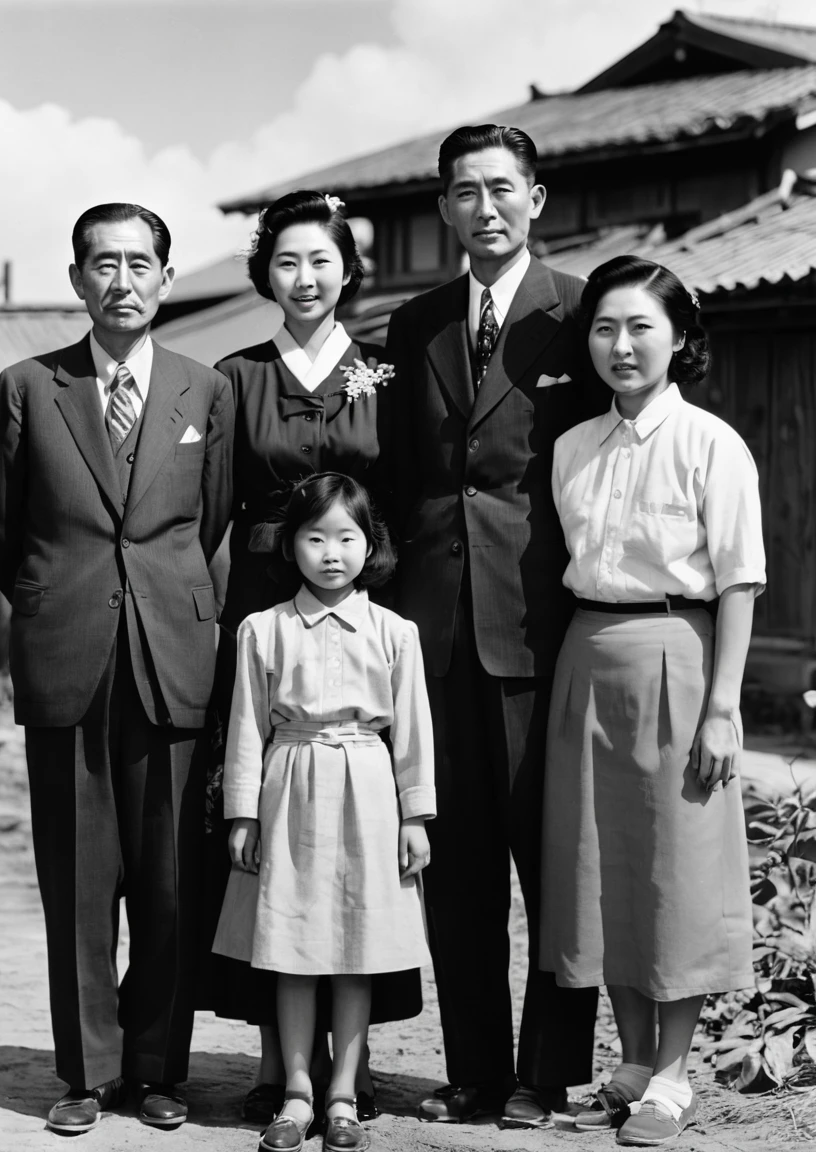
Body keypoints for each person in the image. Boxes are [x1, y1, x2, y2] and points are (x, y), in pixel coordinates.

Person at [0, 203, 234, 1134]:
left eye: (139, 262)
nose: (121, 279)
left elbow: (209, 525)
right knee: (79, 883)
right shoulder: (26, 387)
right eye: (102, 263)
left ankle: (160, 1068)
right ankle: (86, 1072)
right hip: (69, 654)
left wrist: (163, 598)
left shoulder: (205, 390)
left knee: (171, 881)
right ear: (77, 279)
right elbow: (0, 529)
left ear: (167, 276)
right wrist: (61, 598)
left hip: (172, 656)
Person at [384, 124, 602, 1128]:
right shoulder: (415, 322)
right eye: (463, 191)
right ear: (441, 209)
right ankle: (471, 1068)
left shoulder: (583, 312)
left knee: (552, 862)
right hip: (433, 631)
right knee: (455, 864)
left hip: (543, 624)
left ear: (536, 198)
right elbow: (397, 481)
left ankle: (545, 1073)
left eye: (500, 188)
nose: (483, 207)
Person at [202, 189, 417, 1124]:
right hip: (262, 600)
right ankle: (273, 1056)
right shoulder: (234, 375)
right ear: (265, 274)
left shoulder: (384, 373)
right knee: (268, 822)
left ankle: (352, 1063)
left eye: (322, 261)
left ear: (346, 270)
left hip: (366, 596)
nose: (305, 278)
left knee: (359, 837)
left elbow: (400, 491)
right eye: (286, 262)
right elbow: (207, 508)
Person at [540, 255, 766, 1146]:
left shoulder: (712, 443)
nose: (622, 345)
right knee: (602, 867)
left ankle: (673, 1076)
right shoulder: (570, 447)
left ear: (680, 339)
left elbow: (741, 582)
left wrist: (723, 705)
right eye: (605, 327)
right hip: (586, 655)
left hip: (679, 649)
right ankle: (630, 1061)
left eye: (641, 327)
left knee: (677, 864)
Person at [212, 472, 435, 1152]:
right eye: (315, 538)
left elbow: (414, 732)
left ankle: (344, 1090)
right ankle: (297, 1092)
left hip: (368, 790)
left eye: (347, 538)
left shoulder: (396, 633)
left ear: (372, 547)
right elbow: (246, 725)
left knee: (355, 948)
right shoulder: (262, 629)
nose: (331, 553)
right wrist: (242, 814)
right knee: (293, 946)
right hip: (290, 788)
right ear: (291, 546)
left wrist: (415, 816)